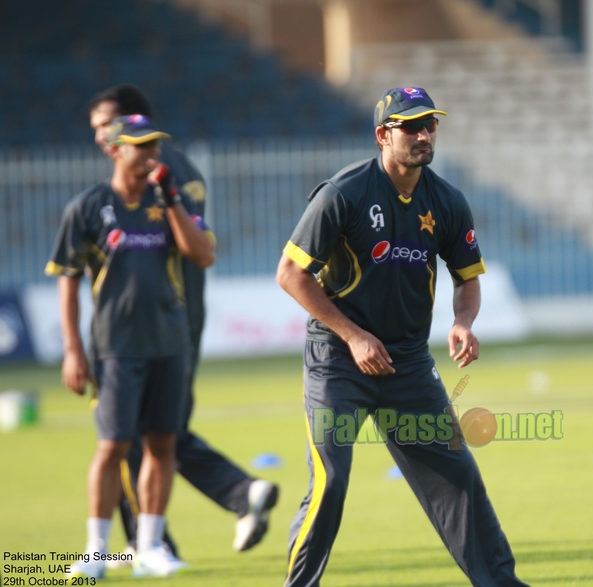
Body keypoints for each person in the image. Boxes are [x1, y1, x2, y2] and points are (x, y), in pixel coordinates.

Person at [276, 87, 529, 586]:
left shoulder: (448, 202)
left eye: (429, 124)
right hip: (338, 359)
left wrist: (463, 322)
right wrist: (352, 336)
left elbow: (467, 279)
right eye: (410, 126)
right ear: (382, 135)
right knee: (331, 482)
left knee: (458, 479)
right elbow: (290, 274)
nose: (422, 134)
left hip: (408, 363)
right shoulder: (342, 194)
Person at [87, 85, 279, 558]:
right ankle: (235, 497)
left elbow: (191, 248)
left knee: (144, 433)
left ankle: (148, 542)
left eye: (103, 126)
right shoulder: (174, 169)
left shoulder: (162, 174)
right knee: (154, 431)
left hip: (158, 325)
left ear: (131, 123)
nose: (97, 137)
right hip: (171, 320)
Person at [46, 115, 213, 578]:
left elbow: (202, 255)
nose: (149, 153)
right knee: (113, 446)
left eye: (153, 145)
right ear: (114, 150)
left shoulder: (169, 201)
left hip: (169, 343)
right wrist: (73, 349)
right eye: (139, 146)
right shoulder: (88, 206)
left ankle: (149, 547)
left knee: (162, 446)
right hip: (115, 349)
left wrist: (173, 201)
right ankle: (97, 551)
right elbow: (67, 277)